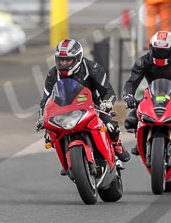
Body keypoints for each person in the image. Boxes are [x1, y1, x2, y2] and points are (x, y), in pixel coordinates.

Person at [36, 38, 131, 166]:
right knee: (50, 135)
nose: (64, 63)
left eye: (68, 60)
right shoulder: (53, 74)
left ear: (78, 58)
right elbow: (46, 98)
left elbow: (108, 91)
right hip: (64, 110)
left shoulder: (92, 68)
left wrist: (106, 103)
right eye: (61, 60)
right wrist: (42, 117)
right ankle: (68, 160)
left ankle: (116, 144)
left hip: (93, 106)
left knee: (110, 125)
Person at [122, 30, 171, 159]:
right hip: (151, 93)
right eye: (157, 50)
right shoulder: (142, 61)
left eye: (163, 51)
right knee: (131, 119)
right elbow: (131, 82)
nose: (160, 54)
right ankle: (139, 139)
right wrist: (128, 96)